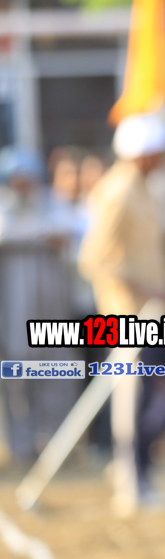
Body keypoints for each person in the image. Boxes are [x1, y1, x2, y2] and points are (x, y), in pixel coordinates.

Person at [77, 115, 165, 511]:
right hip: (127, 315)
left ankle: (137, 463)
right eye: (160, 151)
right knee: (136, 396)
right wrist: (145, 288)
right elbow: (95, 258)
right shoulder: (116, 192)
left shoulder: (148, 190)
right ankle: (131, 479)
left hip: (156, 313)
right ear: (143, 154)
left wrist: (164, 288)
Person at [0, 147, 81, 468]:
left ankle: (56, 447)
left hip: (53, 319)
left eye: (27, 180)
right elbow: (5, 231)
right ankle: (22, 448)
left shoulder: (53, 206)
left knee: (57, 380)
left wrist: (39, 233)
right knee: (19, 383)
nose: (22, 186)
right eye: (16, 181)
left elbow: (69, 229)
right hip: (14, 320)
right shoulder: (5, 208)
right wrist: (41, 234)